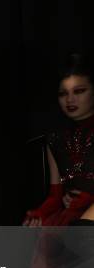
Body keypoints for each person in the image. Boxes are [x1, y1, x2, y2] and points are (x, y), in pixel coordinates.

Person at [23, 53, 94, 227]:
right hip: (71, 218)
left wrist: (89, 198)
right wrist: (39, 214)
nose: (70, 100)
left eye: (79, 91)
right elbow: (55, 196)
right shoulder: (55, 138)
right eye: (63, 93)